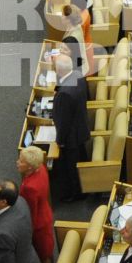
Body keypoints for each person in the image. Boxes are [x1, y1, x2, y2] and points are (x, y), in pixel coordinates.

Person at [49, 53, 90, 202]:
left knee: (72, 168)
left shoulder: (65, 94)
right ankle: (83, 188)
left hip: (71, 136)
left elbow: (64, 122)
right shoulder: (78, 75)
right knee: (82, 159)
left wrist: (59, 141)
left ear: (59, 71)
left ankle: (76, 194)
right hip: (81, 127)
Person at [16, 146, 55, 263]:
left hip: (38, 224)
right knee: (47, 249)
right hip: (45, 213)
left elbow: (30, 212)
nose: (17, 162)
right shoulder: (41, 168)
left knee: (43, 253)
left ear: (29, 167)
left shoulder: (29, 188)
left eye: (21, 161)